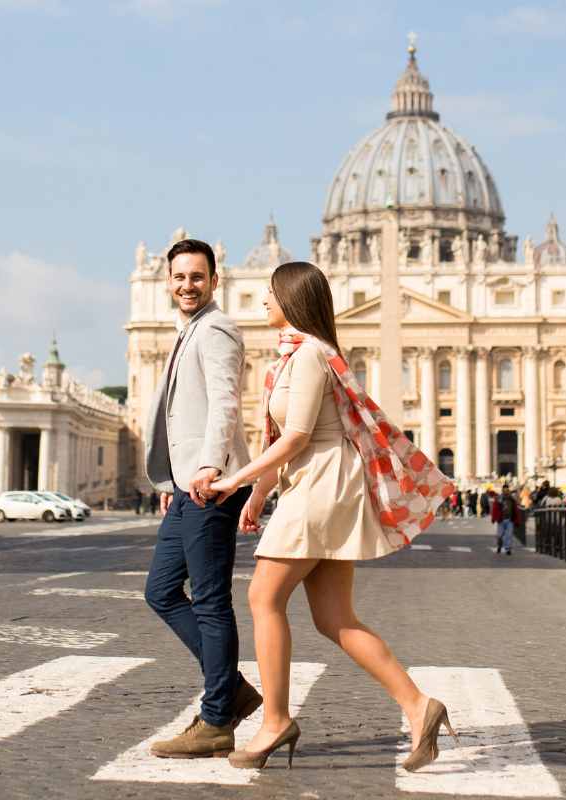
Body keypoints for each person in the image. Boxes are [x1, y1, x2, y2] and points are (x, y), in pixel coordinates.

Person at [207, 261, 455, 773]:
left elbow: (297, 437)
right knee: (334, 618)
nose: (263, 302)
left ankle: (275, 720)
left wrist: (235, 480)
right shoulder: (306, 354)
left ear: (294, 298)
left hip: (319, 486)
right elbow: (292, 441)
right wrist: (259, 493)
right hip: (320, 482)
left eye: (271, 294)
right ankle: (418, 705)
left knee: (262, 596)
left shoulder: (309, 356)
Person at [141, 239, 258, 759]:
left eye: (197, 276)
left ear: (215, 279)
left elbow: (225, 403)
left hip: (212, 482)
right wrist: (172, 478)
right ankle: (230, 689)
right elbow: (177, 416)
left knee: (210, 601)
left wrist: (210, 464)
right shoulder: (185, 330)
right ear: (169, 280)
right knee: (161, 590)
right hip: (187, 483)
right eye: (179, 276)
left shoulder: (217, 329)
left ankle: (216, 720)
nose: (187, 285)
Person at [497, 487, 517, 555]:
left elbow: (516, 507)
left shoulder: (511, 499)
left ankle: (508, 549)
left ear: (509, 491)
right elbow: (496, 506)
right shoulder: (499, 498)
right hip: (501, 520)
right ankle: (499, 546)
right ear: (502, 491)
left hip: (509, 519)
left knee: (509, 535)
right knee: (500, 535)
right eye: (504, 491)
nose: (506, 492)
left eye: (507, 491)